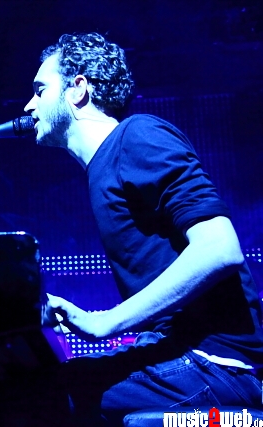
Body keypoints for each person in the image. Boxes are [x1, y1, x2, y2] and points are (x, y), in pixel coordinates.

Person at [24, 32, 263, 425]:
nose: (29, 105)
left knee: (23, 397)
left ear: (78, 90)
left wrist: (105, 321)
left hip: (216, 365)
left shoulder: (137, 135)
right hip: (179, 357)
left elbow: (220, 248)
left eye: (40, 90)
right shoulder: (103, 167)